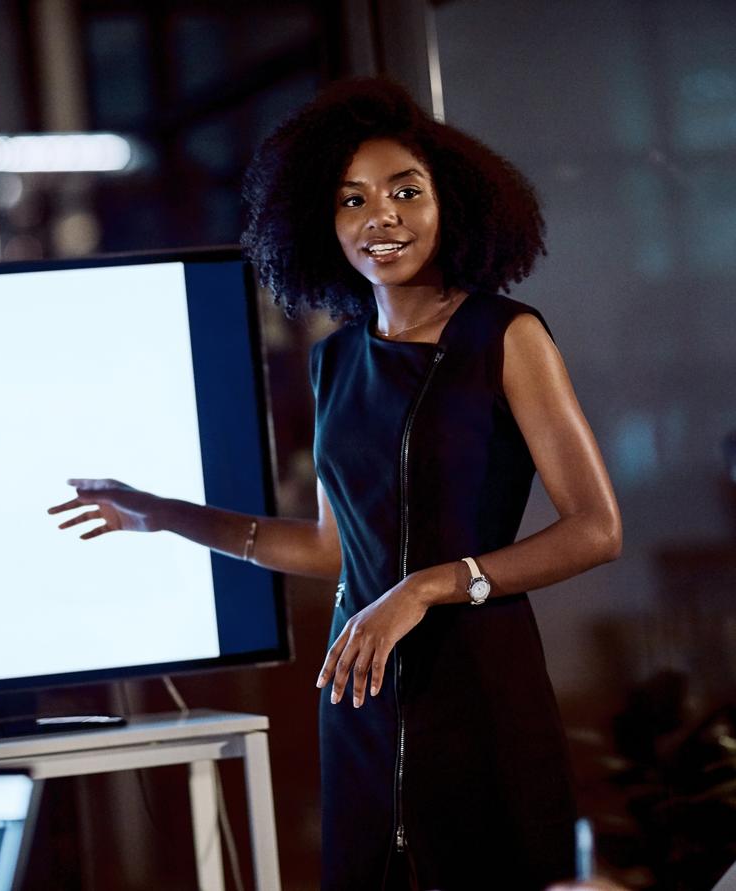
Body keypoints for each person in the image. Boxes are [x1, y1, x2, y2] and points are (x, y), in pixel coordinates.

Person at [48, 78, 622, 890]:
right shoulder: (333, 361)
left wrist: (423, 587)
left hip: (478, 685)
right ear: (322, 224)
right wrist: (168, 513)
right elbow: (330, 547)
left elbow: (596, 528)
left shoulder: (506, 335)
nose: (378, 216)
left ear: (448, 202)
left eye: (403, 191)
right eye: (351, 199)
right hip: (357, 691)